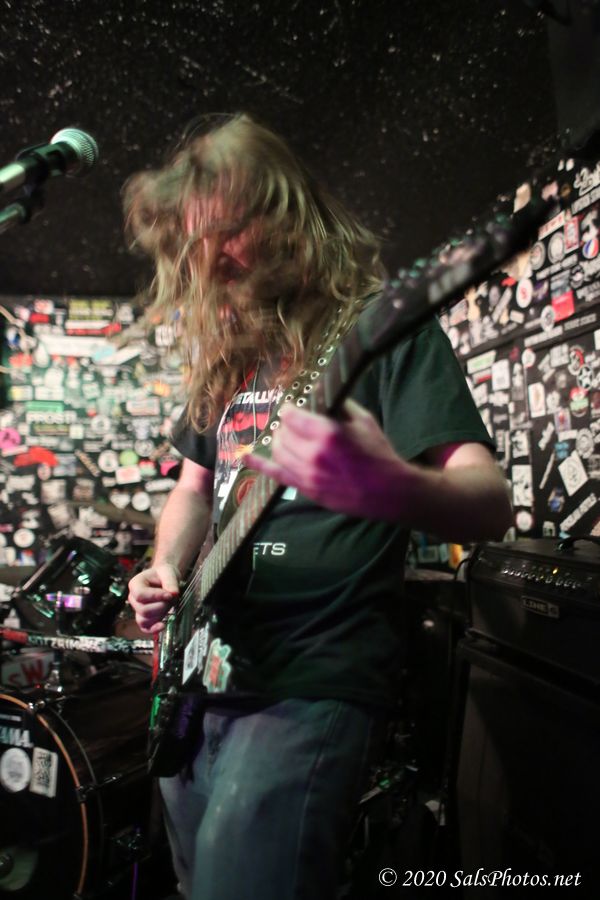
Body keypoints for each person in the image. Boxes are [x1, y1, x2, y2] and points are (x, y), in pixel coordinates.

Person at [125, 113, 512, 900]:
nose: (219, 257)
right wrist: (165, 567)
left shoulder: (380, 328)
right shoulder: (230, 357)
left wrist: (390, 485)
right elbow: (193, 488)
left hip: (312, 679)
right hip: (202, 678)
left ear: (286, 214)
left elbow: (489, 501)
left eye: (231, 231)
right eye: (201, 242)